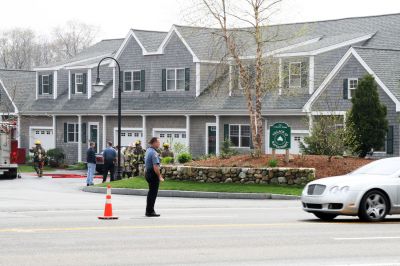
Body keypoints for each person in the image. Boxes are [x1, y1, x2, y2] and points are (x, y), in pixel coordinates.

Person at [144, 137, 164, 217]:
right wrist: (159, 176)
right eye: (158, 142)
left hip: (148, 173)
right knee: (153, 193)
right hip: (152, 174)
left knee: (151, 192)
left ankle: (149, 210)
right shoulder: (154, 153)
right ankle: (150, 211)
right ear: (154, 143)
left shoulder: (148, 150)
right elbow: (156, 166)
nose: (159, 144)